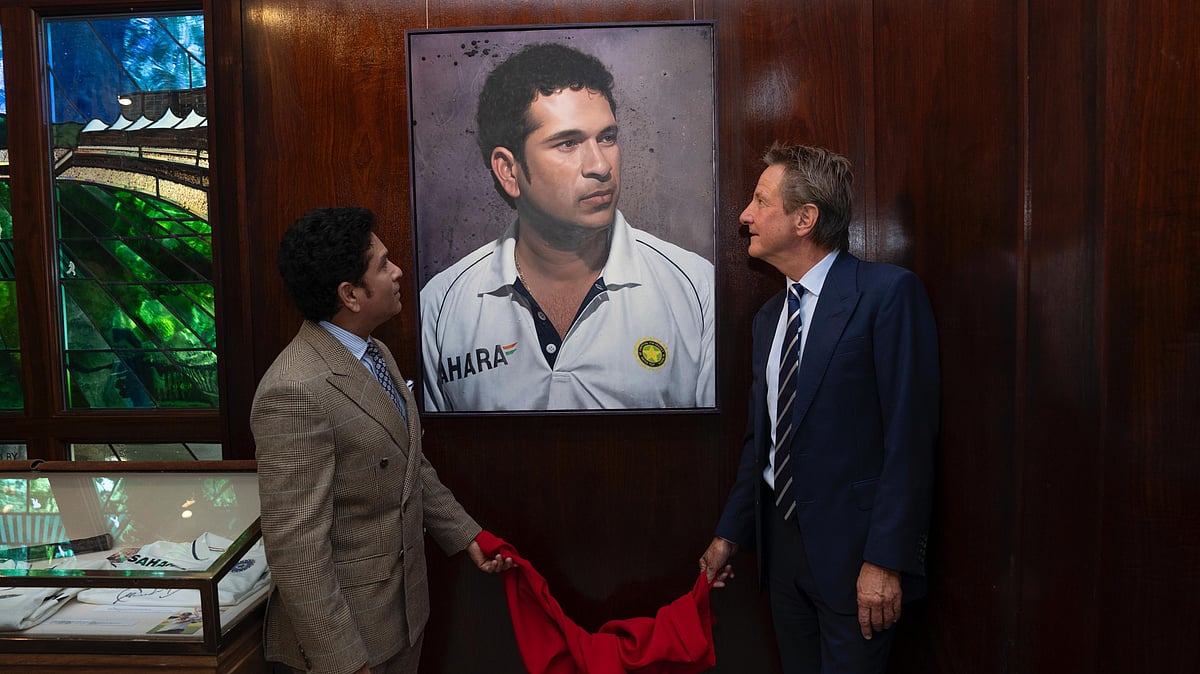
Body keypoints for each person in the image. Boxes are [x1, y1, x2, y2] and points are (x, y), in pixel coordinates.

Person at [700, 145, 939, 673]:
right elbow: (761, 443)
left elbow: (910, 441)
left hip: (857, 561)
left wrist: (885, 559)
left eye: (760, 201)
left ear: (805, 218)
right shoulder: (769, 319)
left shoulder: (887, 295)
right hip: (782, 556)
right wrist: (729, 534)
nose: (744, 216)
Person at [251, 207, 513, 674]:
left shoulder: (374, 351)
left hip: (401, 616)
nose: (397, 273)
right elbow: (297, 550)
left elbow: (407, 462)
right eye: (383, 265)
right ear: (350, 294)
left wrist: (466, 534)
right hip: (349, 640)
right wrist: (343, 661)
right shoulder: (295, 391)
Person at [420, 43, 715, 412]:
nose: (600, 166)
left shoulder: (697, 288)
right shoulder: (440, 306)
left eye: (607, 137)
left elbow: (713, 452)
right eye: (568, 143)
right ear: (509, 171)